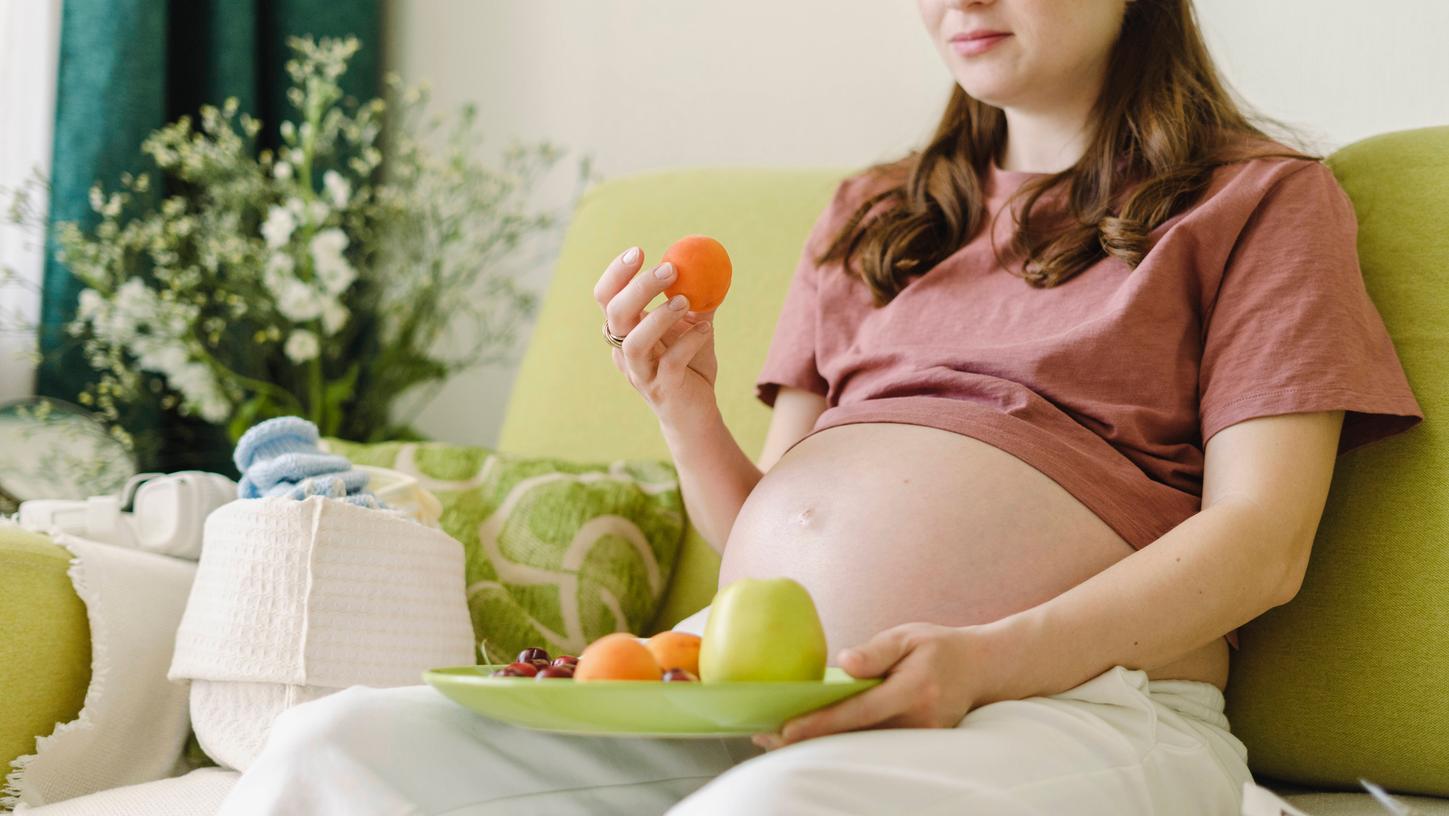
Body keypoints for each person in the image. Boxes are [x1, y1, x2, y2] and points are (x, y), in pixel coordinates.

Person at [217, 0, 1425, 813]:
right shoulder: (875, 216)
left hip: (1083, 709)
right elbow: (764, 550)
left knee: (773, 810)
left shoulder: (1258, 202)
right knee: (330, 751)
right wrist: (685, 406)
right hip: (765, 705)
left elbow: (1262, 545)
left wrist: (984, 660)